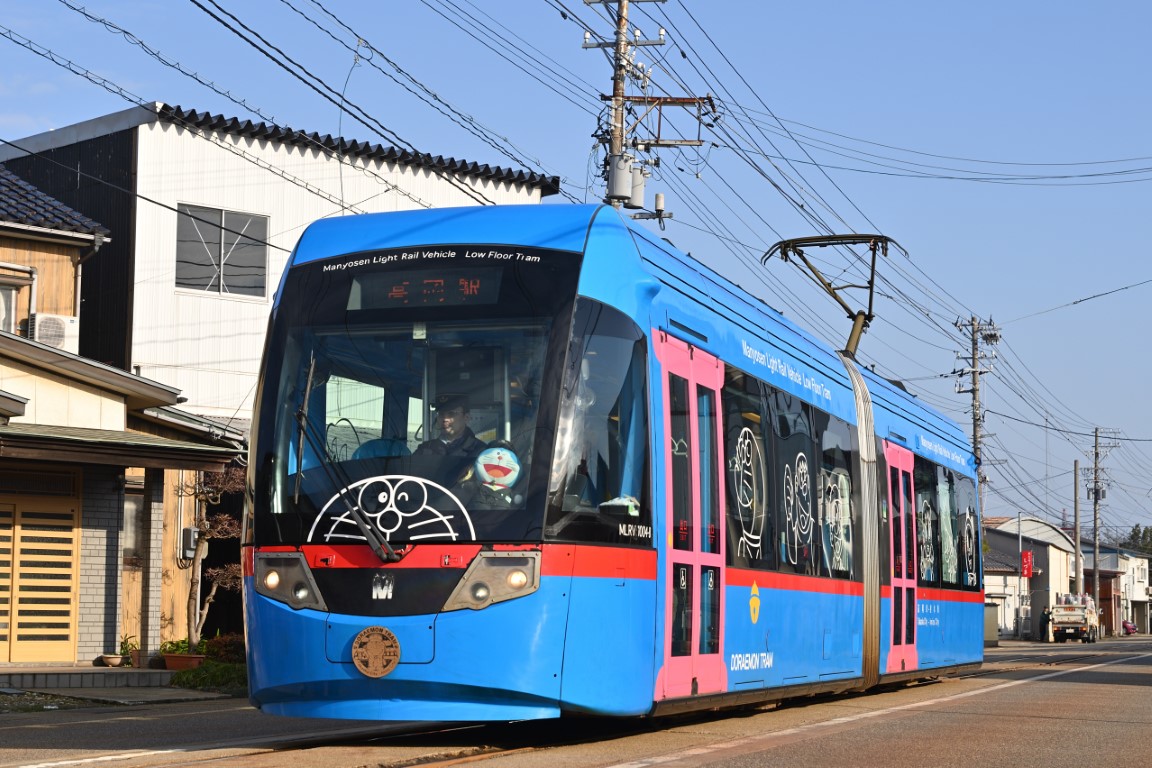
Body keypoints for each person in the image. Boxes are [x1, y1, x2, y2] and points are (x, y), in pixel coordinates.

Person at [415, 395, 487, 485]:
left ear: (466, 417)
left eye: (451, 414)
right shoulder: (425, 449)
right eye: (441, 414)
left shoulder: (481, 451)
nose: (445, 419)